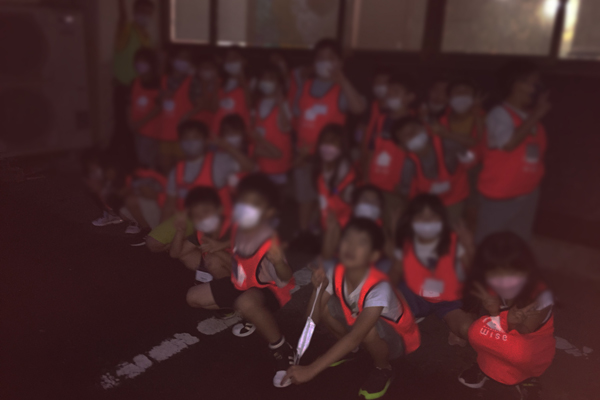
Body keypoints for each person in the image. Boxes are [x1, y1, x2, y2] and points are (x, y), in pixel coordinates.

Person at [283, 218, 420, 399]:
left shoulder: (380, 286)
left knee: (367, 331)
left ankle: (383, 368)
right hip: (359, 323)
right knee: (326, 306)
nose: (351, 247)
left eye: (361, 243)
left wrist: (311, 370)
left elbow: (356, 336)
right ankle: (350, 352)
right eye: (347, 239)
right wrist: (318, 290)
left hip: (395, 340)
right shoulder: (336, 270)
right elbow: (311, 318)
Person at [185, 173, 296, 387]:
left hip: (270, 291)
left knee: (246, 303)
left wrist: (278, 262)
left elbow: (285, 278)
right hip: (243, 283)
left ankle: (282, 349)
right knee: (193, 297)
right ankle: (252, 315)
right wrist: (220, 245)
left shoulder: (269, 240)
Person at [460, 232, 555, 400]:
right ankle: (484, 365)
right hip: (504, 336)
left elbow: (521, 334)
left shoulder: (540, 295)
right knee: (475, 330)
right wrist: (493, 313)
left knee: (517, 351)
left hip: (528, 344)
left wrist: (510, 323)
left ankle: (528, 377)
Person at [293, 38, 366, 233]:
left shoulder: (341, 88)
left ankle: (327, 233)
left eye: (330, 58)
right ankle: (303, 233)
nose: (324, 62)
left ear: (339, 62)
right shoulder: (306, 85)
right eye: (320, 58)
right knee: (305, 197)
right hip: (305, 154)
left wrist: (342, 80)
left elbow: (359, 108)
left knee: (329, 197)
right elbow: (298, 114)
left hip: (330, 158)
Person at [145, 119, 252, 252]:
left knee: (190, 251)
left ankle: (197, 246)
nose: (190, 142)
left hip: (216, 217)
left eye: (195, 138)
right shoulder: (177, 170)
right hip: (189, 218)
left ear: (206, 141)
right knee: (154, 243)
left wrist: (226, 146)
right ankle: (191, 244)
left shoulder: (219, 161)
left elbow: (249, 167)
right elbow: (169, 205)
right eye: (186, 138)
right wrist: (162, 232)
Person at [476, 60, 549, 244]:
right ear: (515, 84)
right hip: (501, 195)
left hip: (528, 193)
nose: (536, 88)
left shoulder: (529, 116)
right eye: (533, 83)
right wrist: (537, 114)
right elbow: (508, 144)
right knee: (489, 244)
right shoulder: (499, 114)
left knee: (519, 243)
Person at [389, 194, 475, 346]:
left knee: (468, 331)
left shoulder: (453, 241)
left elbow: (472, 274)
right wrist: (397, 240)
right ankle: (409, 317)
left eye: (432, 216)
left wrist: (469, 247)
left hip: (447, 302)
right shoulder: (407, 242)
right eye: (421, 217)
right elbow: (393, 278)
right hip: (413, 297)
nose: (427, 222)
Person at [393, 116, 471, 223]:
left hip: (455, 199)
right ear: (402, 146)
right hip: (429, 206)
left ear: (424, 128)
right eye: (407, 135)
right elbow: (404, 191)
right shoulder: (409, 164)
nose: (413, 135)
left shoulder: (448, 145)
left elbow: (470, 158)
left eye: (414, 130)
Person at [364, 75, 415, 236]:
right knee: (371, 228)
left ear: (410, 97)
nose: (390, 95)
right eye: (389, 91)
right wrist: (366, 178)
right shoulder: (380, 120)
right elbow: (371, 150)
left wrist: (405, 187)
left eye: (396, 91)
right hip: (374, 185)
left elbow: (415, 159)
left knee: (394, 230)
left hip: (396, 190)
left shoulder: (415, 123)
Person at [110, 0, 155, 162]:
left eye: (148, 12)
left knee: (135, 128)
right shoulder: (127, 30)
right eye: (142, 11)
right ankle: (122, 163)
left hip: (140, 90)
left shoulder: (147, 37)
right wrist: (121, 5)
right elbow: (122, 18)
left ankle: (130, 162)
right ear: (135, 12)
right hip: (125, 88)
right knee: (123, 128)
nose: (145, 15)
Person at [169, 186, 232, 282]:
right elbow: (175, 254)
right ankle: (217, 276)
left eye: (206, 211)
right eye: (196, 215)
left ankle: (231, 288)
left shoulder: (233, 227)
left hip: (245, 271)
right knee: (187, 255)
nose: (202, 217)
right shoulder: (202, 232)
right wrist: (180, 231)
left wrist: (219, 247)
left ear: (220, 209)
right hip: (226, 264)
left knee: (213, 260)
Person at [314, 124, 356, 260]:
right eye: (324, 141)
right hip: (327, 221)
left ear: (342, 145)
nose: (327, 145)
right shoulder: (320, 167)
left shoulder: (347, 172)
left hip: (342, 225)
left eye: (332, 141)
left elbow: (348, 198)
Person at [252, 63, 293, 186]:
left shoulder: (284, 103)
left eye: (271, 78)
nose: (266, 81)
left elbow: (286, 127)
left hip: (278, 166)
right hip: (261, 164)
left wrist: (280, 102)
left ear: (278, 83)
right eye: (264, 78)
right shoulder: (257, 103)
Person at [157, 49, 197, 172]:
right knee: (165, 170)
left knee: (181, 171)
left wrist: (187, 115)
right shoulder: (163, 79)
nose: (182, 61)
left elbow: (201, 105)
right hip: (164, 134)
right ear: (172, 60)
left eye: (186, 58)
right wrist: (161, 97)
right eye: (180, 57)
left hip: (183, 136)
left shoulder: (192, 81)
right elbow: (158, 103)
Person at [128, 48, 161, 169]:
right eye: (138, 62)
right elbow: (129, 104)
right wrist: (131, 122)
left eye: (144, 62)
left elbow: (159, 107)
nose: (140, 65)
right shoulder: (134, 82)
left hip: (151, 129)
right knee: (141, 160)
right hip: (137, 129)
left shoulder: (158, 83)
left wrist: (141, 122)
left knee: (148, 162)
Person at [211, 46, 251, 136]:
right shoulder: (220, 83)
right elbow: (214, 109)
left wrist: (243, 82)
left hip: (238, 133)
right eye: (228, 58)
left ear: (244, 61)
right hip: (218, 130)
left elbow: (250, 105)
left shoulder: (251, 82)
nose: (231, 61)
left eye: (235, 57)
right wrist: (216, 87)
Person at [358, 67, 392, 171]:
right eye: (377, 82)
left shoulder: (398, 111)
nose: (380, 86)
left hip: (389, 164)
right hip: (366, 162)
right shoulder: (369, 107)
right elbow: (361, 134)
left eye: (384, 83)